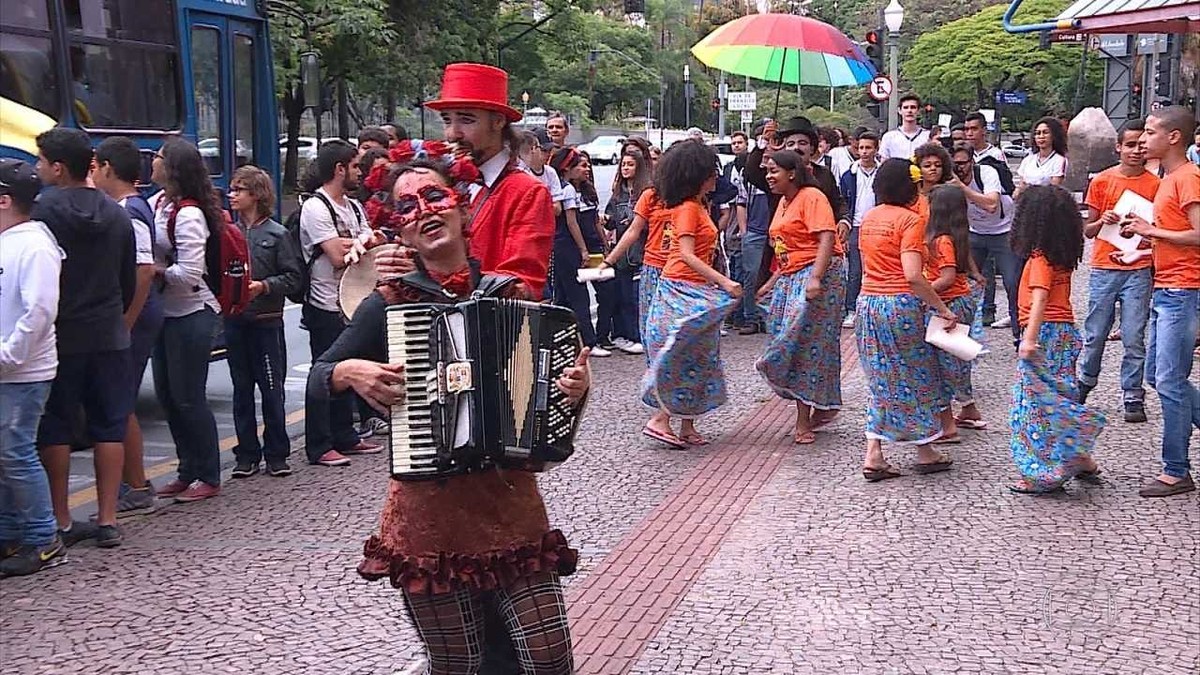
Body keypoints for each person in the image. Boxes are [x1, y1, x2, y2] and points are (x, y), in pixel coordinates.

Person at [313, 159, 587, 674]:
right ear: (398, 229)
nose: (424, 211)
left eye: (435, 197)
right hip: (429, 523)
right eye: (407, 206)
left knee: (551, 663)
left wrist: (574, 392)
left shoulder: (509, 295)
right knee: (457, 666)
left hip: (510, 509)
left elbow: (552, 414)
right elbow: (319, 374)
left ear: (462, 209)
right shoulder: (388, 305)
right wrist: (351, 370)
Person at [371, 62, 559, 671]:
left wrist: (462, 287)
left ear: (499, 124)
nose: (453, 129)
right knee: (459, 642)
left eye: (466, 118)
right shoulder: (438, 184)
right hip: (436, 400)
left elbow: (523, 285)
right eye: (447, 117)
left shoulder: (522, 190)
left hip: (494, 362)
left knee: (531, 637)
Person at [32, 128, 136, 547]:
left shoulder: (42, 211)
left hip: (60, 334)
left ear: (58, 168)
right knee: (109, 426)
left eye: (41, 162)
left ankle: (61, 518)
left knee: (55, 427)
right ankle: (108, 518)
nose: (38, 170)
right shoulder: (116, 213)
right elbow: (128, 279)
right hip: (109, 332)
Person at [855, 159, 959, 482]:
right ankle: (925, 450)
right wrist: (943, 308)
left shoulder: (870, 219)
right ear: (912, 188)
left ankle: (875, 452)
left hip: (867, 303)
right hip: (899, 306)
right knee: (917, 374)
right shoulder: (910, 221)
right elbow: (913, 276)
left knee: (879, 376)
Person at [640, 142, 741, 446]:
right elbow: (685, 254)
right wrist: (724, 282)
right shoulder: (687, 209)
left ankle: (687, 424)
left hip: (695, 288)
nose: (716, 177)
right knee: (679, 354)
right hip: (682, 289)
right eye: (711, 172)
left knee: (699, 354)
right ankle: (661, 419)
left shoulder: (698, 206)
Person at [1123, 106, 1200, 498]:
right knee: (1158, 376)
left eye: (1150, 133)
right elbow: (1175, 234)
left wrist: (1150, 230)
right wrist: (1143, 247)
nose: (1142, 140)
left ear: (1173, 137)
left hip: (1183, 291)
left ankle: (1176, 469)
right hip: (1167, 287)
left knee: (1169, 380)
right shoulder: (1171, 178)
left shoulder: (1187, 178)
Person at [1007, 185, 1104, 494]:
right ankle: (1081, 457)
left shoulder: (1039, 259)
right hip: (1064, 331)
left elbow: (1039, 298)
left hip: (1044, 331)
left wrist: (1029, 339)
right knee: (1059, 397)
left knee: (1035, 405)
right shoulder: (1061, 257)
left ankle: (1041, 473)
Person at [145, 138, 224, 505]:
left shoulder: (189, 214)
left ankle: (208, 473)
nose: (152, 162)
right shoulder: (158, 203)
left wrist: (155, 272)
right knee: (167, 395)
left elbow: (191, 272)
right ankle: (187, 469)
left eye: (158, 157)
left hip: (192, 312)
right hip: (167, 312)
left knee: (189, 396)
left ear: (172, 167)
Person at [0, 159, 67, 576]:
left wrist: (9, 355)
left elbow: (40, 309)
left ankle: (43, 538)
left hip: (22, 372)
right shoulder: (10, 240)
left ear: (5, 200)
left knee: (15, 451)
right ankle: (10, 532)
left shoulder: (34, 246)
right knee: (5, 454)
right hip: (9, 367)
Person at [92, 136, 163, 516]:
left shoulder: (130, 212)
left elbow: (144, 270)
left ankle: (136, 485)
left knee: (122, 400)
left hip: (137, 314)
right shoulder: (125, 206)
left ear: (107, 168)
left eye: (96, 167)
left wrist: (126, 322)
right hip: (134, 314)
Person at [300, 139, 383, 468]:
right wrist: (358, 242)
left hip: (350, 303)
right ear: (339, 169)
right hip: (324, 303)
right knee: (323, 370)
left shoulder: (354, 207)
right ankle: (319, 445)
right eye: (355, 167)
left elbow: (373, 240)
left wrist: (359, 242)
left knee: (347, 370)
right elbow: (338, 256)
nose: (360, 173)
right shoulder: (315, 208)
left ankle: (345, 435)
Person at [754, 150, 844, 444]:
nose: (768, 176)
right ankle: (823, 406)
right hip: (791, 275)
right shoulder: (783, 201)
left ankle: (803, 419)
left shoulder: (812, 197)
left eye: (773, 171)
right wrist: (772, 281)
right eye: (767, 171)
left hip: (818, 274)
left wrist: (815, 278)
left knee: (805, 343)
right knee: (792, 338)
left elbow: (826, 238)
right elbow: (786, 249)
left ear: (792, 172)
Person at [1078, 120, 1159, 423]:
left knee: (1134, 335)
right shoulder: (1101, 181)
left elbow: (1159, 229)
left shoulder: (1156, 185)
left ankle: (1132, 394)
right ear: (1118, 147)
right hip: (1104, 265)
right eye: (1130, 144)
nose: (1137, 150)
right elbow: (1087, 230)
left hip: (1138, 266)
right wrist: (1103, 222)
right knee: (1095, 332)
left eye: (1141, 144)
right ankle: (1085, 381)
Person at [226, 166, 303, 479]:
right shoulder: (229, 233)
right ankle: (246, 454)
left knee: (272, 389)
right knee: (241, 389)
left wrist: (265, 286)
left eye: (239, 190)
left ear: (256, 195)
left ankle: (276, 453)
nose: (232, 195)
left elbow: (295, 278)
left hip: (266, 322)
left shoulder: (276, 234)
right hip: (236, 320)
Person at [924, 184, 985, 436]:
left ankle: (946, 420)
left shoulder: (942, 241)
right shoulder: (956, 236)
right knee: (956, 359)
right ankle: (968, 409)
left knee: (943, 364)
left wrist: (923, 291)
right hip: (959, 300)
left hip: (950, 303)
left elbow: (947, 277)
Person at [950, 145, 1020, 340]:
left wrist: (961, 187)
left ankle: (1019, 334)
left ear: (972, 162)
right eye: (954, 165)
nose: (959, 169)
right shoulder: (949, 179)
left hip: (1003, 232)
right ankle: (965, 335)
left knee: (1012, 283)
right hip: (974, 233)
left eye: (963, 163)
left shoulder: (987, 173)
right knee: (964, 285)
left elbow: (991, 204)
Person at [548, 147, 611, 357]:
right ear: (568, 168)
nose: (585, 169)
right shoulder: (566, 190)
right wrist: (583, 250)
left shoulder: (565, 188)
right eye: (580, 165)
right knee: (578, 295)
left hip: (563, 246)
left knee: (564, 296)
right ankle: (589, 342)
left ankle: (562, 339)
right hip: (567, 246)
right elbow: (572, 222)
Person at [601, 150, 652, 355]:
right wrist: (607, 220)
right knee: (623, 296)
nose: (626, 168)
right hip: (622, 252)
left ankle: (639, 334)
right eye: (623, 165)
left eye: (630, 165)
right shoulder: (618, 194)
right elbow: (611, 218)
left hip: (641, 250)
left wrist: (635, 222)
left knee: (637, 295)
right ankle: (626, 335)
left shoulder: (646, 192)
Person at [837, 131, 880, 328]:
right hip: (855, 225)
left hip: (878, 226)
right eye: (861, 148)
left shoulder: (882, 173)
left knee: (876, 268)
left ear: (876, 149)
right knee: (855, 270)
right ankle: (852, 309)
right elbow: (843, 201)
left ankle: (874, 308)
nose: (864, 152)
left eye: (868, 148)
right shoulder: (849, 175)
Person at [1014, 117, 1068, 199]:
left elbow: (1054, 189)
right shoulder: (1028, 160)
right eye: (1038, 133)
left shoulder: (1059, 160)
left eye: (1045, 132)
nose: (1041, 136)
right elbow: (1021, 185)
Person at [519, 129, 564, 216]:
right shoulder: (521, 172)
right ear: (533, 148)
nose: (548, 154)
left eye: (550, 150)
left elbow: (558, 209)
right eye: (544, 150)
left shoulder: (550, 172)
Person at [879, 93, 931, 160]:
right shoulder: (889, 137)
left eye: (913, 107)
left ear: (918, 111)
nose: (909, 111)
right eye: (906, 107)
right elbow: (884, 163)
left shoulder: (927, 136)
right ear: (899, 110)